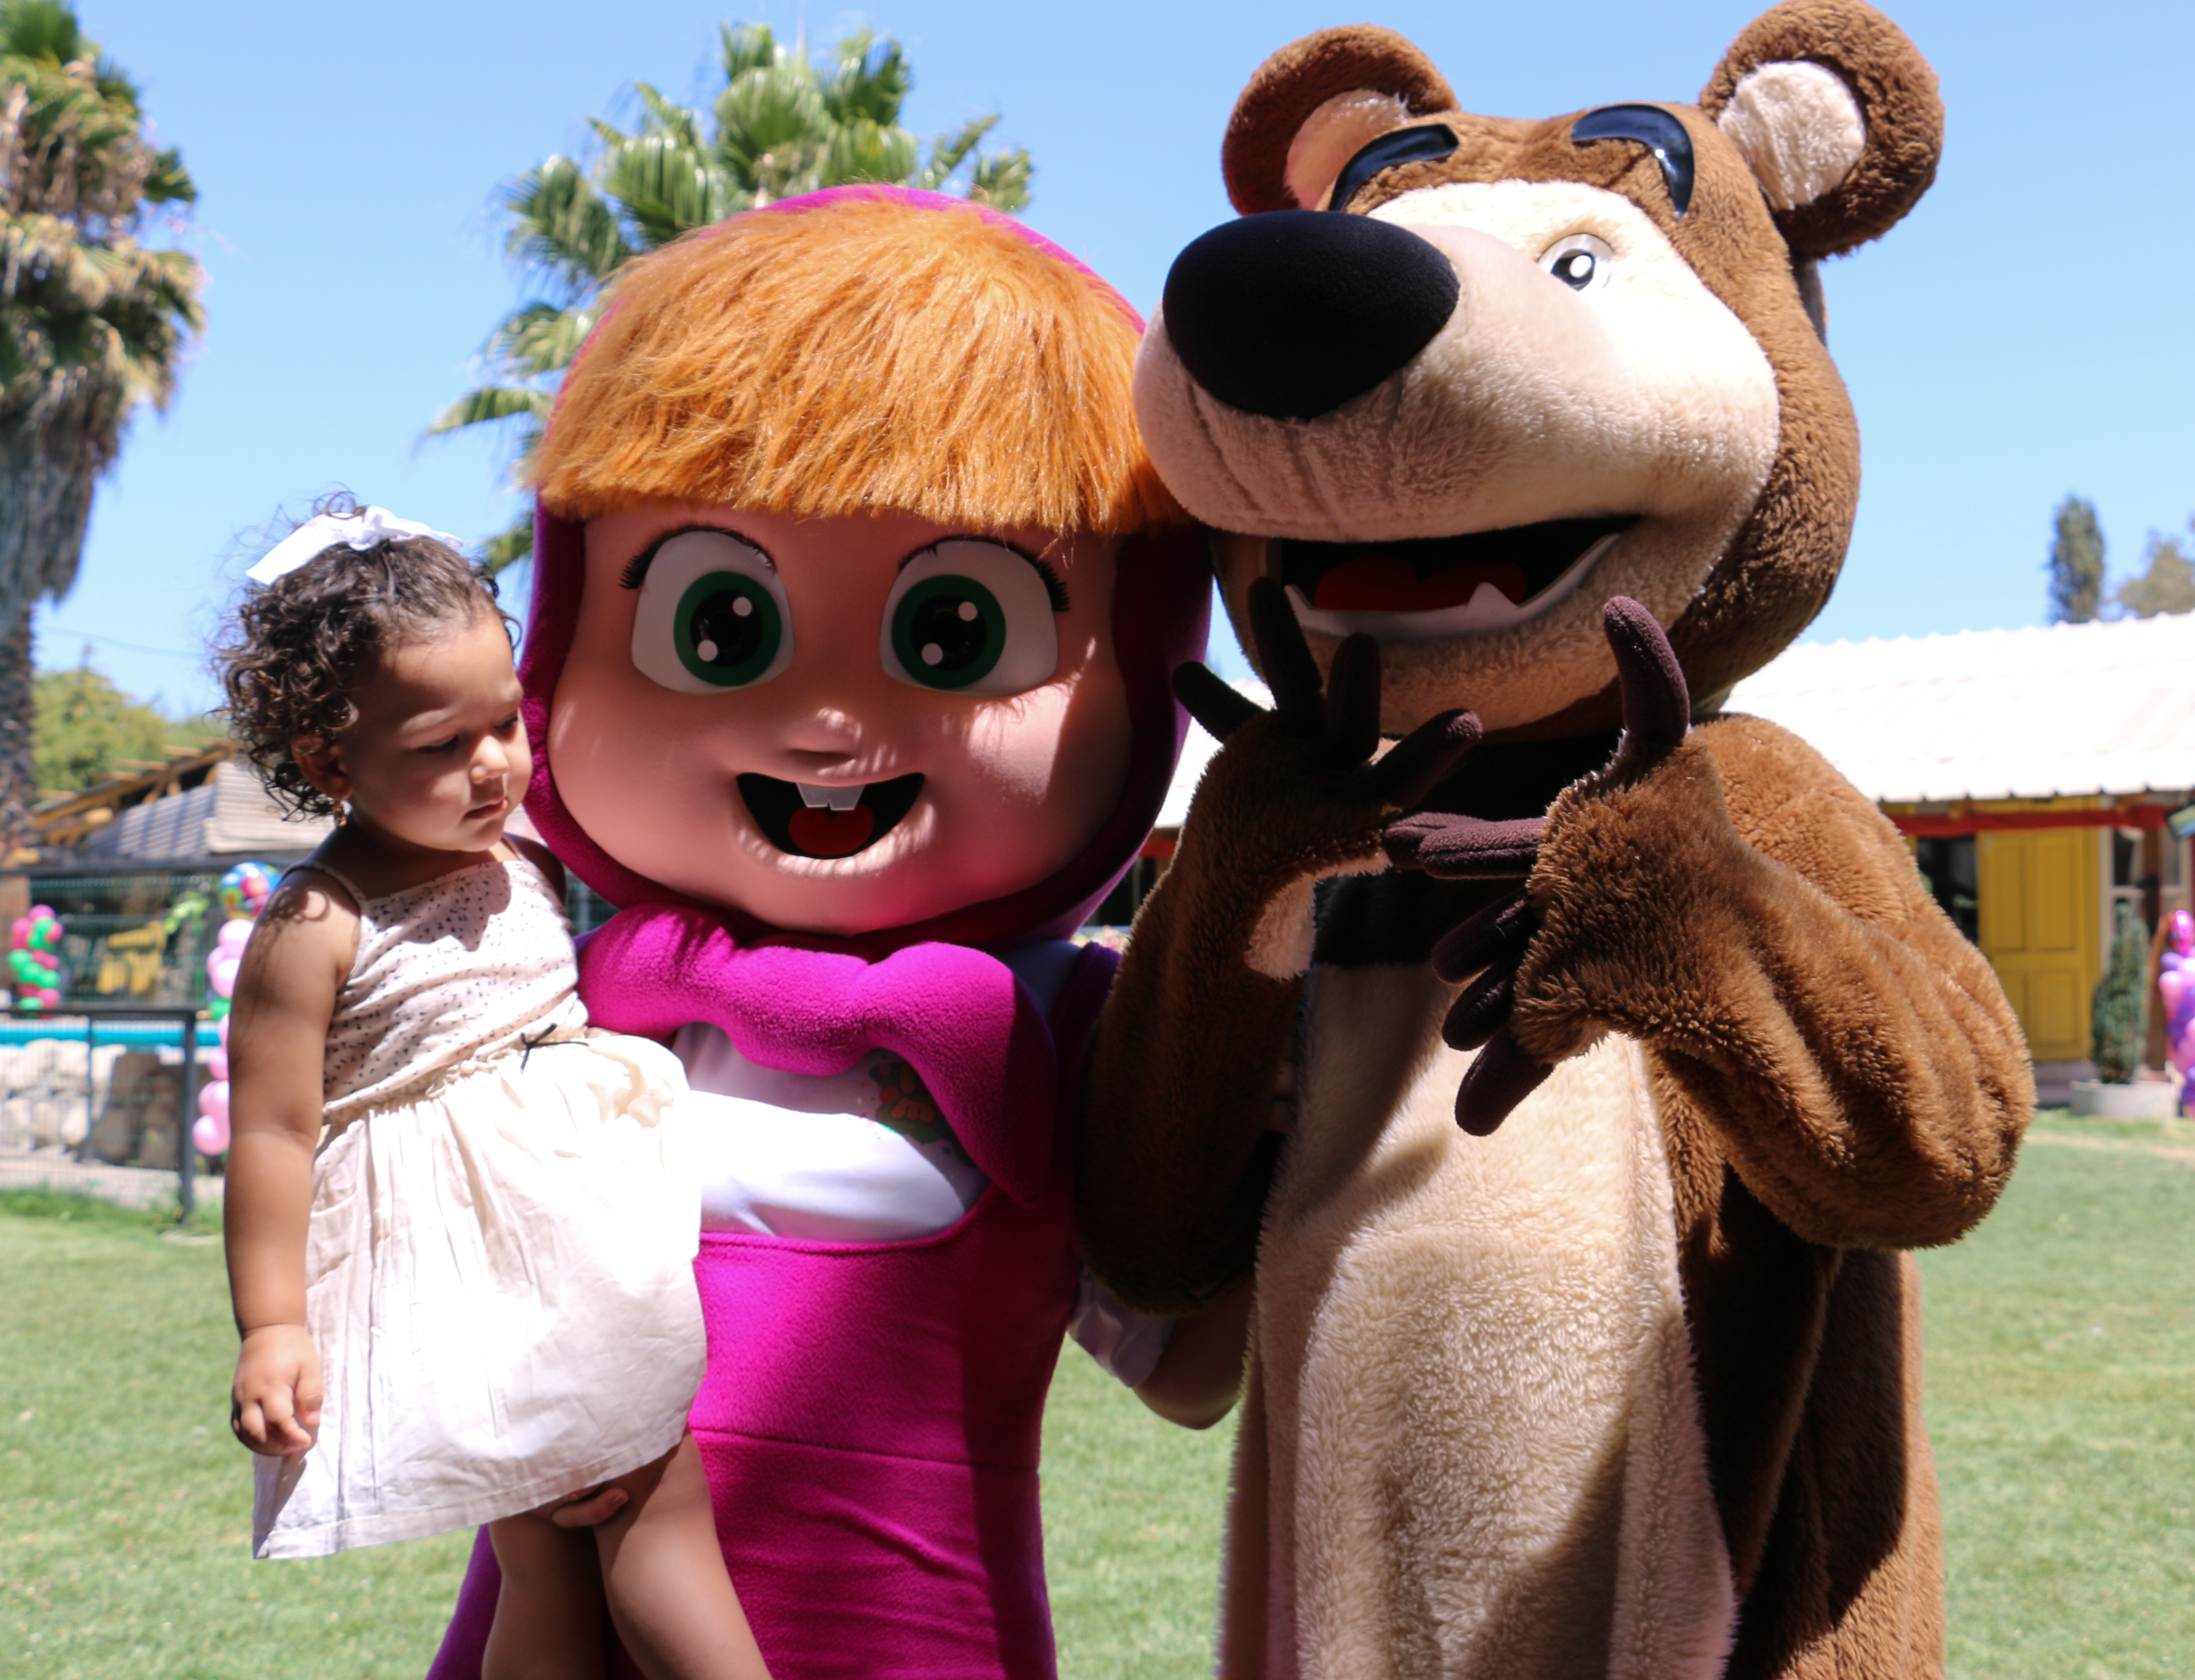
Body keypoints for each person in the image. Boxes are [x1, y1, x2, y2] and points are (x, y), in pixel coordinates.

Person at [426, 187, 1245, 1680]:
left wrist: (1288, 1094)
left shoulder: (1080, 1036)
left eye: (953, 634)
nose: (823, 721)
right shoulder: (568, 999)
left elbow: (1188, 1369)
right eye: (722, 626)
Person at [215, 501, 770, 1680]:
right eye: (440, 746)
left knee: (548, 1559)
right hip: (475, 1270)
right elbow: (270, 1133)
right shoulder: (317, 922)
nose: (493, 764)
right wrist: (273, 1326)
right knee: (650, 1502)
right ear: (329, 764)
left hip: (569, 1232)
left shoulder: (520, 858)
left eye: (507, 722)